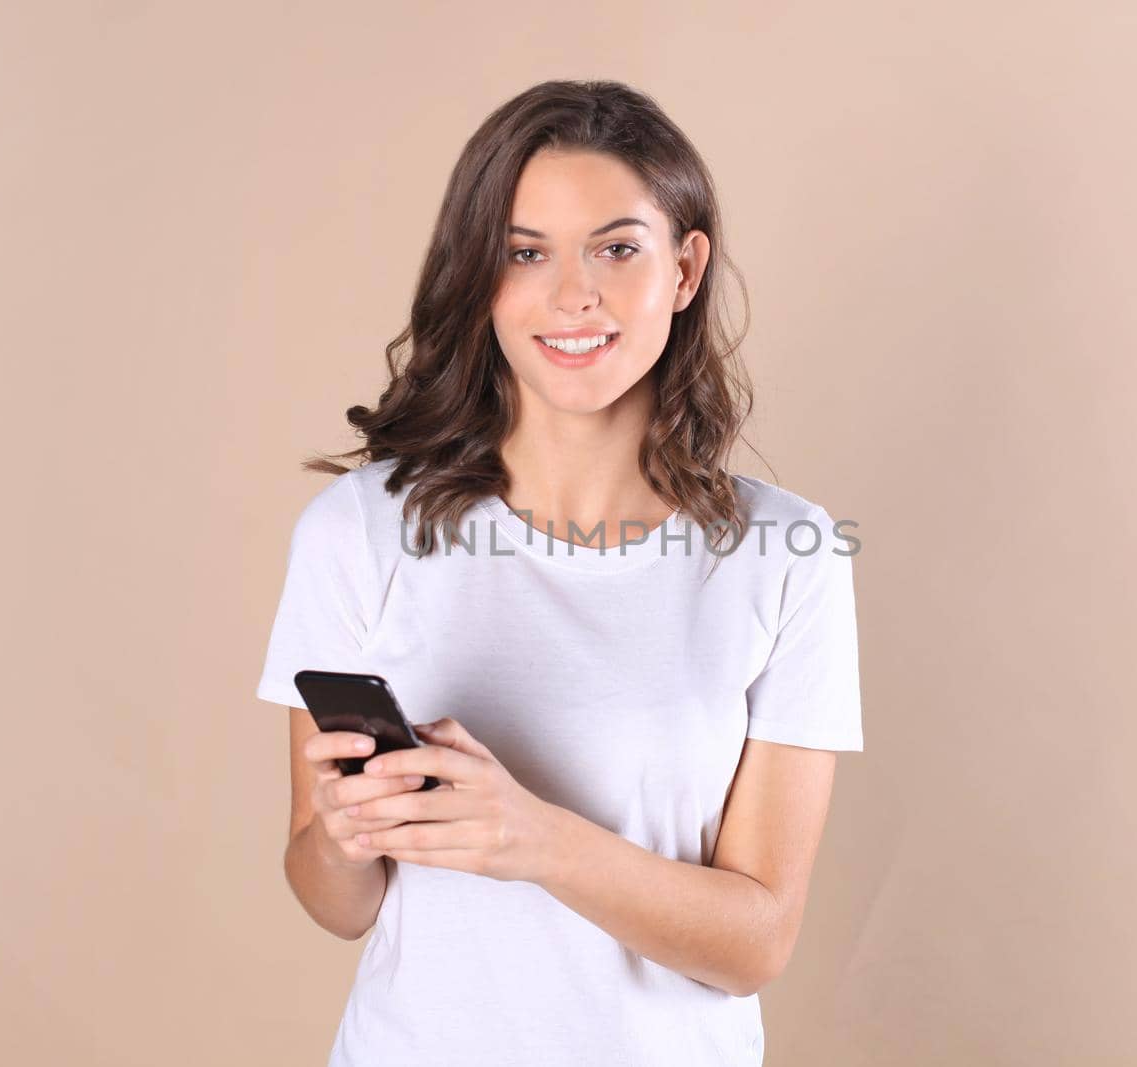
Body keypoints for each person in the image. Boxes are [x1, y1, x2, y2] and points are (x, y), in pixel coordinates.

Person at [255, 78, 864, 1067]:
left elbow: (756, 941)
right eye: (524, 251)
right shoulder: (357, 531)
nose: (572, 293)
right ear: (479, 277)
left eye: (617, 247)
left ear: (684, 267)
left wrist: (533, 837)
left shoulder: (785, 555)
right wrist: (341, 832)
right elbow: (337, 903)